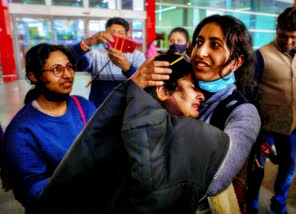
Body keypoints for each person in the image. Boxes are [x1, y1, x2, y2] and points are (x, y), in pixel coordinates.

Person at [36, 53, 231, 214]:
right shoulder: (153, 130)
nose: (202, 95)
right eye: (193, 87)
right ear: (163, 90)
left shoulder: (132, 121)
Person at [131, 14, 261, 213]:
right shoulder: (175, 85)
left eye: (215, 45)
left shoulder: (242, 113)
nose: (200, 52)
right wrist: (133, 86)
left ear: (236, 62)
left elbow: (212, 181)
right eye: (199, 42)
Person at [2, 43, 96, 211]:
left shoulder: (83, 106)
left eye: (69, 67)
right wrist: (81, 176)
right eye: (56, 70)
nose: (67, 75)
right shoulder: (22, 131)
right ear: (34, 76)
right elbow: (30, 191)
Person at [247, 7, 296, 214]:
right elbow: (249, 92)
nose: (288, 42)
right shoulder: (261, 55)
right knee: (257, 168)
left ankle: (278, 205)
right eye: (282, 36)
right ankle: (252, 206)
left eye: (293, 37)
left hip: (291, 123)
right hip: (264, 125)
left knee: (289, 167)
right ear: (276, 30)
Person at [71, 17, 146, 107]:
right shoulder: (95, 54)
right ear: (104, 33)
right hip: (99, 109)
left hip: (127, 109)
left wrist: (127, 67)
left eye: (120, 32)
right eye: (111, 31)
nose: (115, 35)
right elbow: (71, 63)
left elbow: (143, 82)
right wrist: (89, 42)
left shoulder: (137, 56)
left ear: (126, 36)